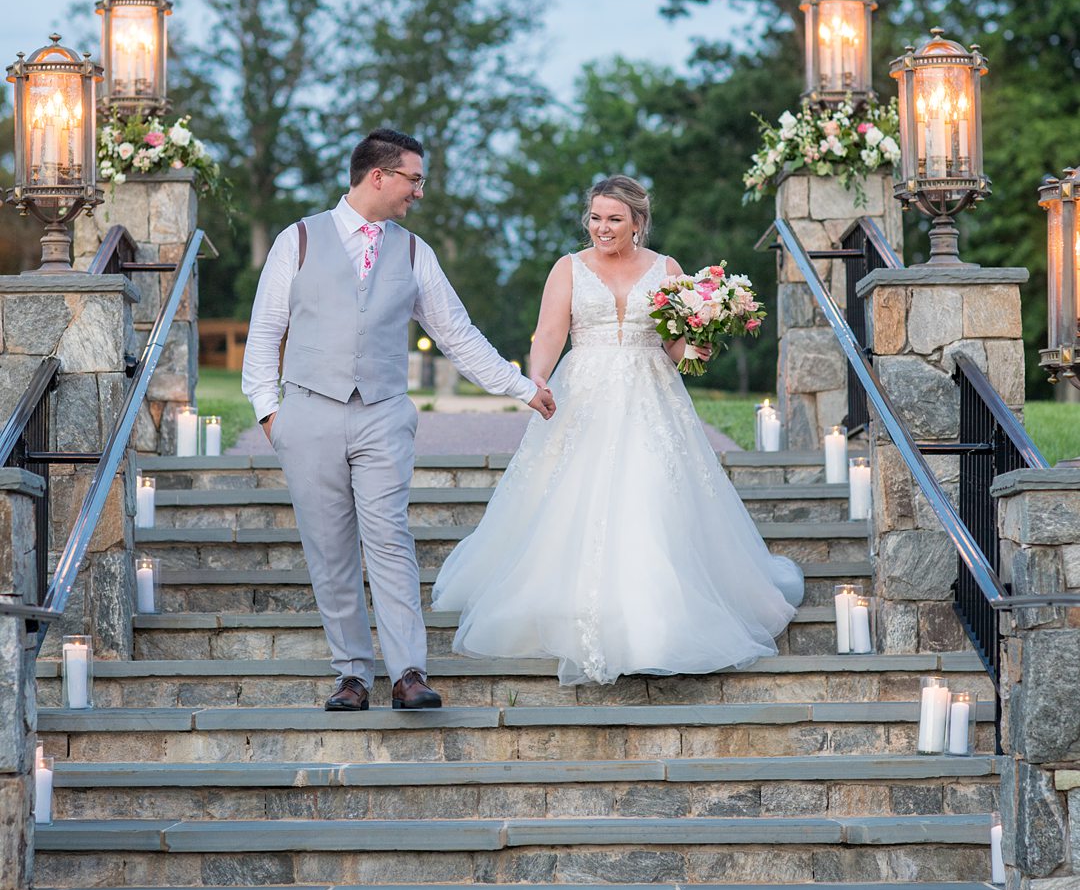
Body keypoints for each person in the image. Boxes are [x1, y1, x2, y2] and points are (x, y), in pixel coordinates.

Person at [433, 175, 803, 685]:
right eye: (595, 217)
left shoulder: (667, 270)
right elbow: (549, 333)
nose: (602, 228)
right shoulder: (567, 268)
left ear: (637, 222)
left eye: (614, 219)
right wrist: (536, 378)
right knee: (571, 497)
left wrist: (700, 343)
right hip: (584, 394)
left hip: (651, 397)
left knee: (652, 497)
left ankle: (656, 623)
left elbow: (675, 350)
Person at [241, 128, 556, 713]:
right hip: (306, 413)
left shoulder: (414, 252)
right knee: (329, 547)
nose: (420, 192)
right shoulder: (299, 240)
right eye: (414, 179)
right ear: (378, 176)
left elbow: (456, 335)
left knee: (389, 537)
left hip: (384, 413)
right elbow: (265, 332)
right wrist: (270, 415)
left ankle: (408, 671)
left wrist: (519, 388)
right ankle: (352, 674)